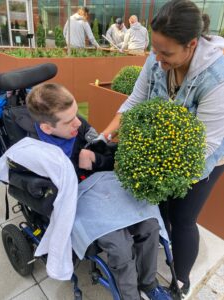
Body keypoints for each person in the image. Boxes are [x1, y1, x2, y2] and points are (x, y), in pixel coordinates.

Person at [101, 0, 224, 299]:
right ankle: (162, 242)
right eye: (155, 50)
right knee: (161, 209)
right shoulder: (157, 58)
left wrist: (153, 169)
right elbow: (136, 99)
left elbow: (205, 145)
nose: (157, 59)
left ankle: (180, 281)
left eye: (166, 53)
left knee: (183, 218)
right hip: (166, 155)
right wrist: (107, 132)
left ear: (191, 44)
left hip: (204, 156)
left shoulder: (216, 78)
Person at [25, 83, 172, 300]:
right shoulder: (34, 151)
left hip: (103, 186)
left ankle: (149, 284)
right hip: (74, 201)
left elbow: (108, 155)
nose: (78, 122)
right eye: (69, 121)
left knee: (150, 225)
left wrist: (95, 160)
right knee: (120, 247)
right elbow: (46, 197)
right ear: (47, 128)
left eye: (77, 113)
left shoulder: (80, 126)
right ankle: (130, 296)